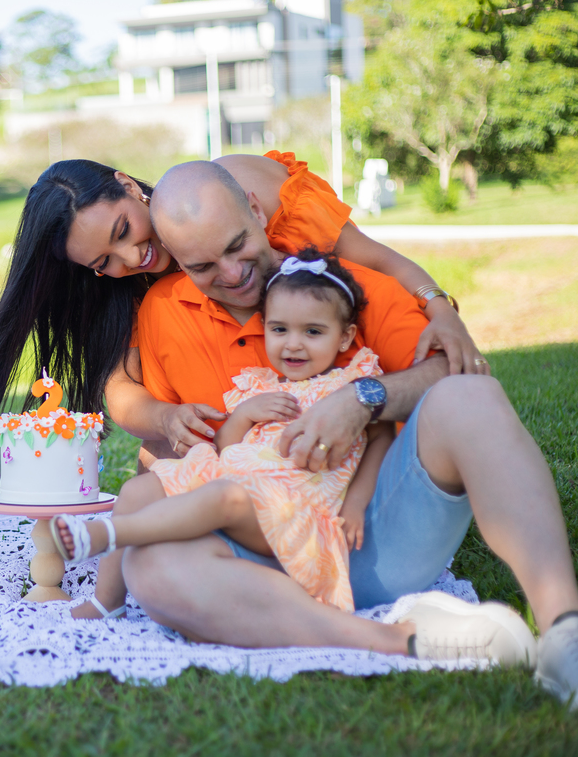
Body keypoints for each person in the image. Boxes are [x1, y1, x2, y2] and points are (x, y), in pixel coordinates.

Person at [116, 160, 578, 712]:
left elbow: (456, 370)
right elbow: (170, 455)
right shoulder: (163, 312)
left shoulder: (335, 285)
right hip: (253, 550)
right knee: (147, 563)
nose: (233, 274)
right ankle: (402, 642)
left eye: (239, 245)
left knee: (469, 398)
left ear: (257, 213)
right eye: (204, 266)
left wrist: (361, 400)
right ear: (177, 262)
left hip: (372, 533)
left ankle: (567, 630)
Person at [0, 152, 486, 618]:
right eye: (103, 263)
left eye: (123, 232)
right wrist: (164, 421)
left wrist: (437, 303)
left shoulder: (233, 192)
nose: (130, 259)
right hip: (247, 452)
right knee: (163, 480)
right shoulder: (148, 299)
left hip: (334, 435)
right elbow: (121, 389)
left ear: (129, 184)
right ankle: (117, 588)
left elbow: (375, 258)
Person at [50, 249, 393, 613]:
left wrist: (356, 503)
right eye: (279, 330)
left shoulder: (352, 386)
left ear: (344, 337)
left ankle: (106, 534)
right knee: (137, 491)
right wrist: (244, 414)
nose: (293, 343)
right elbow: (227, 448)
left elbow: (382, 438)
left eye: (313, 331)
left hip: (294, 514)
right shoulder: (260, 386)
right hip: (238, 486)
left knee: (225, 495)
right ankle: (107, 600)